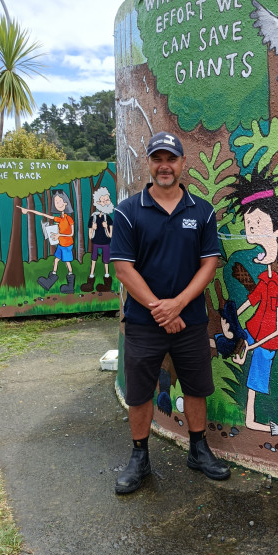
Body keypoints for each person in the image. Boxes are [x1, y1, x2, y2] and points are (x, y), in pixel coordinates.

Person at [110, 131, 229, 494]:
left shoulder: (202, 211)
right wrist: (160, 309)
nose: (165, 166)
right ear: (149, 163)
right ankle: (139, 457)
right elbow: (123, 268)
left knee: (196, 387)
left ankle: (198, 449)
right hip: (145, 322)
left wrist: (177, 304)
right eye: (158, 159)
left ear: (182, 163)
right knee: (140, 391)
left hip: (190, 320)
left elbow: (209, 264)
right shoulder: (128, 211)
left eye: (171, 159)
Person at [20, 189, 76, 294]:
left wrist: (59, 234)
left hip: (67, 245)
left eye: (59, 201)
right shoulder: (60, 218)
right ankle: (50, 281)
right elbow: (45, 215)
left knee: (67, 263)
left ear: (65, 203)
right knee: (56, 260)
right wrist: (29, 210)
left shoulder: (69, 219)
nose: (58, 204)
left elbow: (71, 234)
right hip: (61, 244)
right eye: (56, 202)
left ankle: (70, 285)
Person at [81, 186, 115, 293]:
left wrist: (106, 227)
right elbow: (90, 236)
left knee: (106, 261)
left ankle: (107, 282)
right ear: (98, 202)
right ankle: (90, 281)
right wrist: (93, 229)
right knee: (93, 259)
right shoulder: (93, 218)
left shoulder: (108, 219)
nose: (105, 202)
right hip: (95, 242)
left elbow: (110, 235)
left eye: (107, 200)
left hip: (106, 243)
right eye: (103, 200)